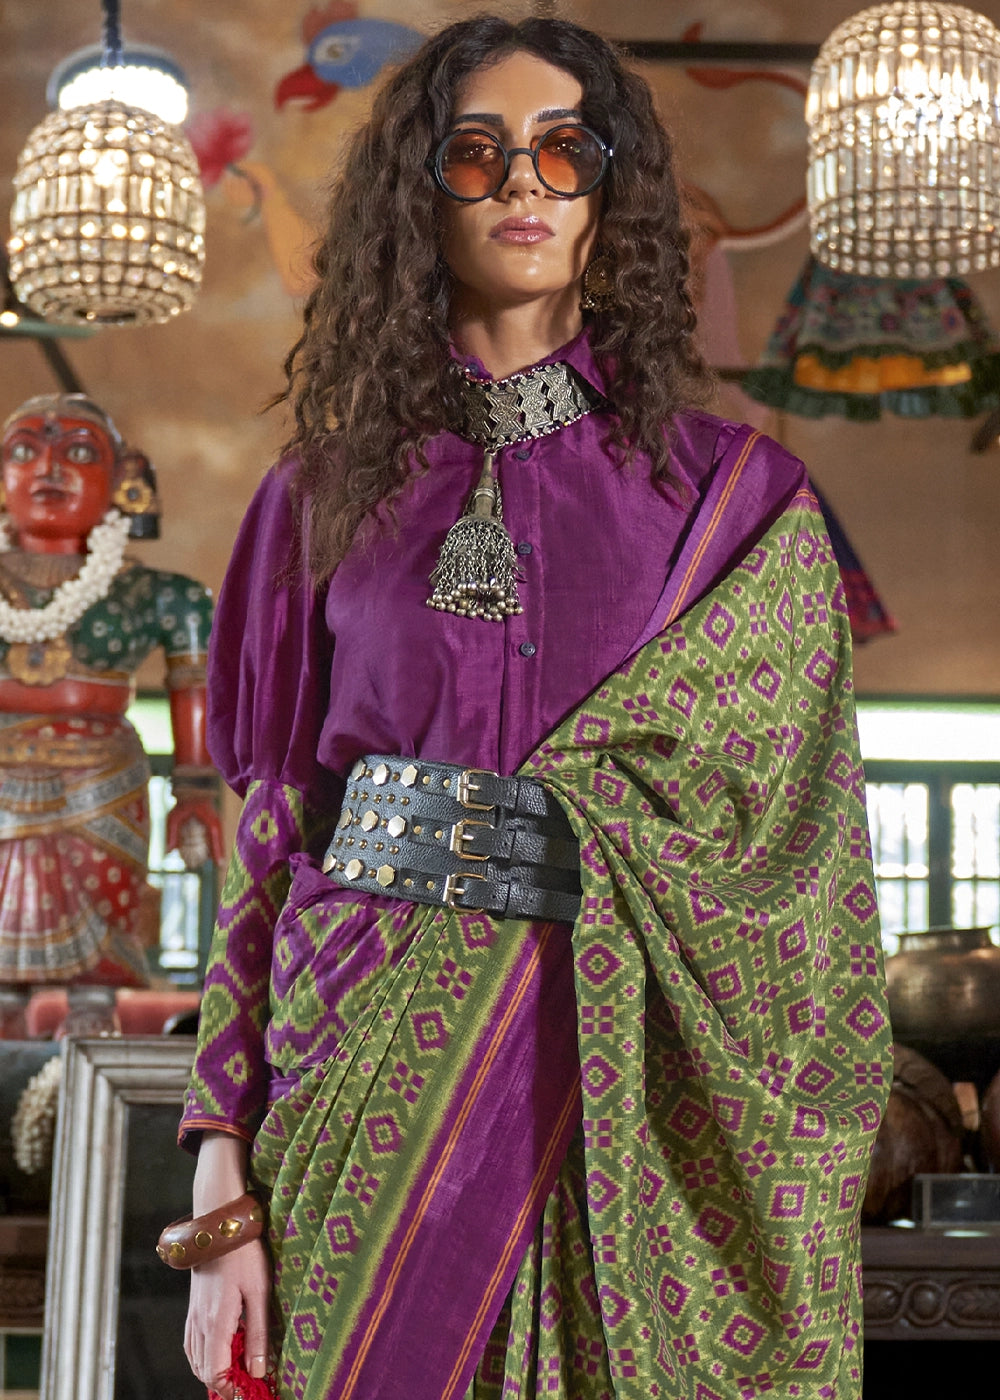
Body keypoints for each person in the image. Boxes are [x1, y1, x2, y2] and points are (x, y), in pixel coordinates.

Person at [176, 16, 892, 1400]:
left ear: (611, 195)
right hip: (360, 1071)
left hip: (627, 1086)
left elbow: (801, 856)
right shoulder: (316, 499)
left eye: (566, 150)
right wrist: (220, 1182)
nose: (522, 182)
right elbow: (265, 833)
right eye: (476, 152)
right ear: (416, 196)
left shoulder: (732, 504)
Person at [0, 394, 222, 1027]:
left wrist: (195, 791)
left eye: (78, 451)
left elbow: (195, 687)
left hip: (99, 784)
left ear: (126, 481)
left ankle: (89, 1055)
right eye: (24, 451)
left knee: (93, 994)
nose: (49, 468)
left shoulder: (161, 596)